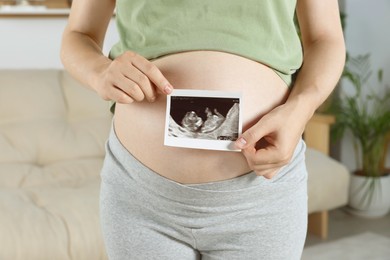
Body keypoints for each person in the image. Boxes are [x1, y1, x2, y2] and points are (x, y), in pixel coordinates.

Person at [61, 0, 345, 259]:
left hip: (258, 195)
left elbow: (325, 38)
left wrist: (301, 109)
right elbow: (78, 34)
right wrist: (99, 71)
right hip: (141, 195)